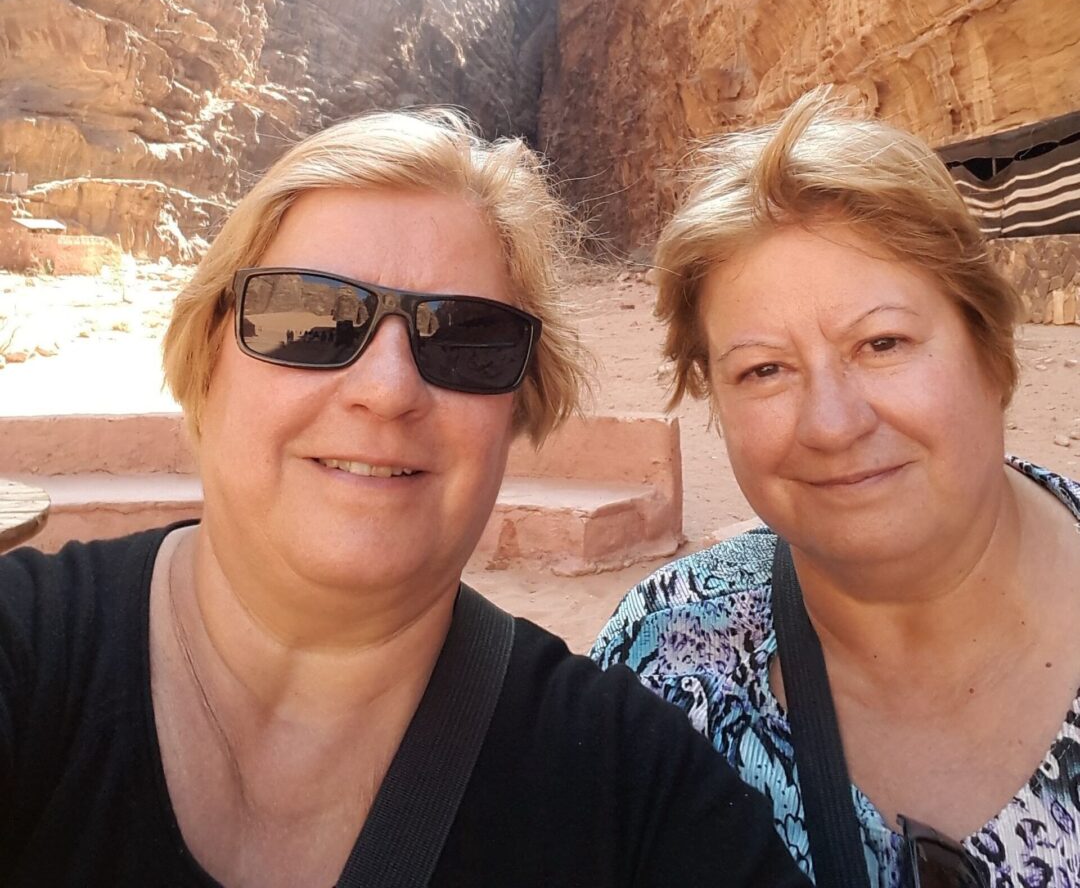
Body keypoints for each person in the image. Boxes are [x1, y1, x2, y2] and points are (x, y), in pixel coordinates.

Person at [0, 108, 810, 888]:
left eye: (464, 338)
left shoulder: (628, 783)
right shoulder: (26, 657)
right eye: (311, 319)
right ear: (207, 358)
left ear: (518, 407)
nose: (387, 391)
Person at [594, 88, 1080, 886]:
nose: (831, 423)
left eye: (882, 342)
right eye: (765, 370)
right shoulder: (665, 662)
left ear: (989, 350)